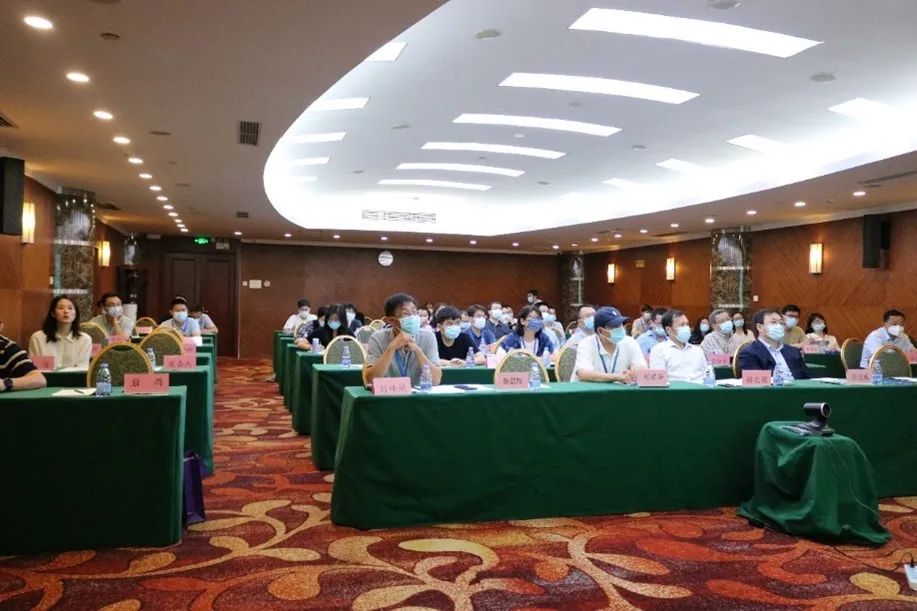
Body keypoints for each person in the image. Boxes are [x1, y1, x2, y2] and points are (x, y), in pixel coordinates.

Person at [364, 293, 442, 387]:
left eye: (414, 312)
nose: (412, 317)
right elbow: (370, 380)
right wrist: (391, 348)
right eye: (406, 314)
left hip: (419, 394)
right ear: (392, 321)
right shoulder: (377, 338)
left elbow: (436, 380)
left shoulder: (428, 337)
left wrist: (418, 350)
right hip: (389, 393)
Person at [572, 306, 646, 383]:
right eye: (614, 326)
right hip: (589, 389)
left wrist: (634, 372)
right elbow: (583, 373)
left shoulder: (630, 342)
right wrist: (616, 377)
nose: (620, 328)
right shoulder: (586, 344)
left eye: (620, 324)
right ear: (600, 331)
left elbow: (642, 368)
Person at [738, 309, 810, 380]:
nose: (779, 326)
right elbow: (756, 382)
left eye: (781, 323)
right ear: (759, 327)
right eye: (773, 322)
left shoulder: (793, 351)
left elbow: (807, 378)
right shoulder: (749, 353)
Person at [28, 296, 93, 369]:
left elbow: (82, 368)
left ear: (76, 314)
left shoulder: (85, 339)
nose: (66, 311)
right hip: (45, 376)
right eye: (61, 308)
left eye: (70, 308)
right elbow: (34, 369)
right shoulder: (38, 338)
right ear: (53, 313)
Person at [649, 310, 708, 383]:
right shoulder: (659, 350)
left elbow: (706, 375)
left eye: (687, 324)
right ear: (668, 329)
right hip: (674, 389)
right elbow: (658, 381)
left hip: (700, 388)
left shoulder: (698, 350)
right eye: (682, 325)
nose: (686, 328)